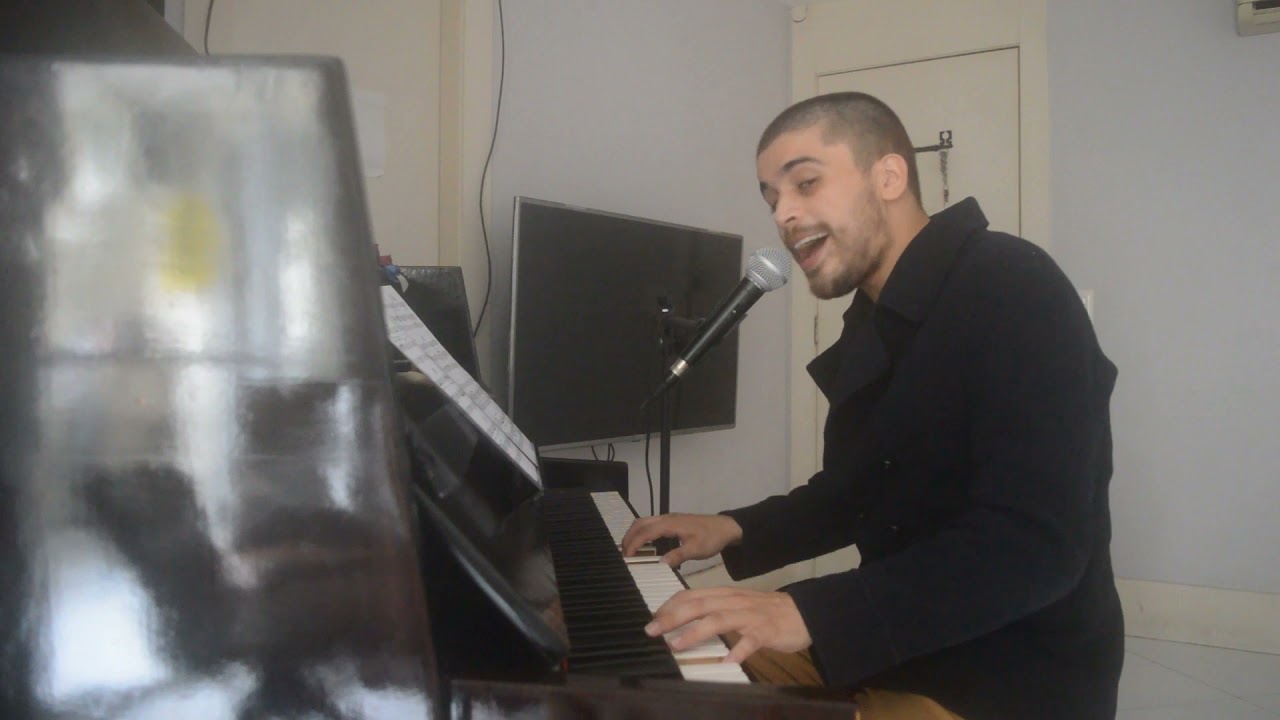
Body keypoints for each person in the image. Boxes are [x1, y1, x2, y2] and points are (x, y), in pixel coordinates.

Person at [621, 92, 1123, 720]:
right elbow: (860, 492)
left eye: (805, 182)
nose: (784, 214)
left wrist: (809, 613)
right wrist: (732, 527)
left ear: (889, 177)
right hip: (906, 647)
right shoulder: (872, 317)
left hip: (1011, 675)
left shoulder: (1015, 285)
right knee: (672, 654)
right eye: (772, 199)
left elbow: (1035, 546)